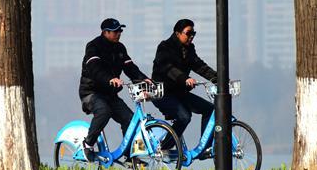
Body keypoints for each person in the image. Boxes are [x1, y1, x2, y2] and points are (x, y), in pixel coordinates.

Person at [78, 18, 152, 161]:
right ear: (105, 32)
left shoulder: (120, 48)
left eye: (120, 31)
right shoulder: (93, 46)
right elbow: (94, 68)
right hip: (91, 92)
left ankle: (129, 156)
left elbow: (130, 68)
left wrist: (144, 79)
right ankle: (88, 144)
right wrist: (109, 79)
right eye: (115, 31)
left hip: (110, 94)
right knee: (104, 111)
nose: (119, 33)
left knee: (130, 120)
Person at [151, 18, 217, 147]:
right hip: (162, 93)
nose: (191, 36)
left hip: (180, 93)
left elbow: (200, 66)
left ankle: (205, 147)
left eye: (194, 34)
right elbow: (168, 68)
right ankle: (164, 148)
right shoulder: (164, 47)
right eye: (188, 33)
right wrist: (184, 79)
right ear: (177, 33)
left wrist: (218, 79)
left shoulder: (189, 49)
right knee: (184, 116)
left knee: (210, 109)